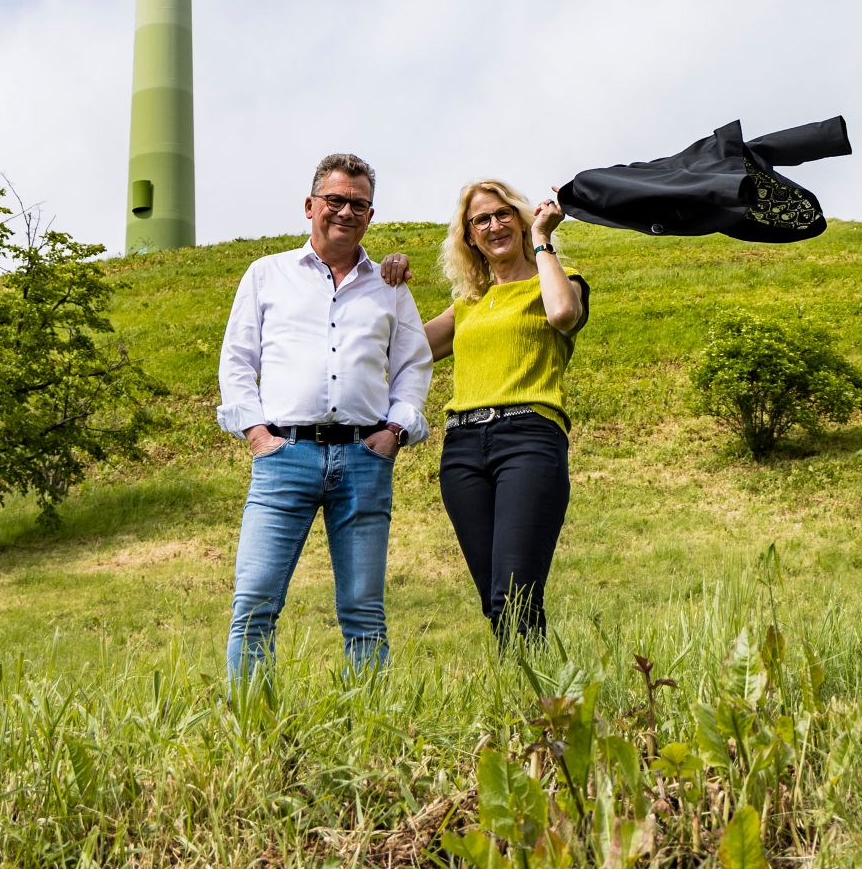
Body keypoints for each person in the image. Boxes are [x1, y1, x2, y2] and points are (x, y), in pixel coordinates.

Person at [215, 151, 432, 679]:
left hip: (364, 457)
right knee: (255, 605)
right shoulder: (267, 275)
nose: (346, 211)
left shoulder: (389, 286)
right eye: (334, 200)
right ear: (310, 205)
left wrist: (395, 430)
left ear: (371, 215)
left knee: (364, 612)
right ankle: (251, 729)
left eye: (359, 204)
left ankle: (369, 735)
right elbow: (237, 360)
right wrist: (256, 432)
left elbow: (414, 363)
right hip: (284, 457)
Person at [425, 180, 587, 644]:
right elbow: (399, 350)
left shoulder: (557, 278)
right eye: (481, 220)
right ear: (470, 238)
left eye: (502, 214)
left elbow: (561, 315)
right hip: (461, 450)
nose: (494, 226)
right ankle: (527, 701)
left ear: (518, 219)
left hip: (529, 439)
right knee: (495, 601)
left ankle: (535, 704)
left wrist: (543, 239)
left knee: (515, 593)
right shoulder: (467, 307)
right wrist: (387, 283)